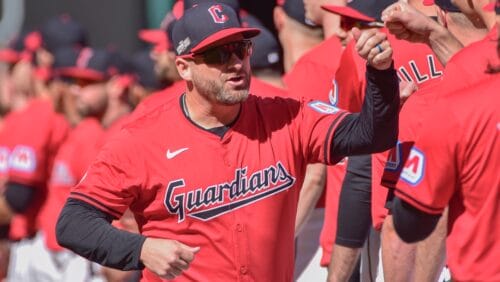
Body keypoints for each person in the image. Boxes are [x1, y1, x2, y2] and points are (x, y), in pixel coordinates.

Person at [56, 3, 400, 281]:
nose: (235, 63)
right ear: (184, 67)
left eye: (241, 48)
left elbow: (372, 135)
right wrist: (141, 249)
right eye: (218, 54)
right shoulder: (141, 139)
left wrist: (381, 73)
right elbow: (73, 223)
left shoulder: (286, 115)